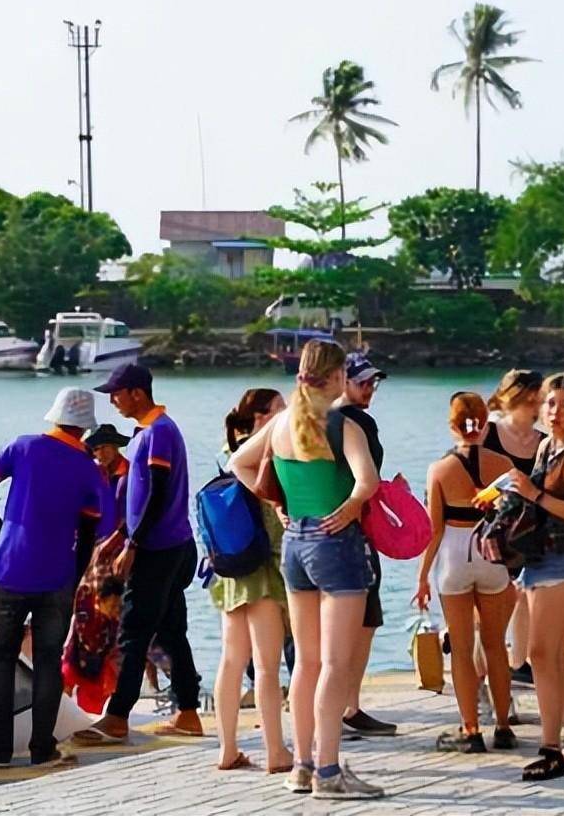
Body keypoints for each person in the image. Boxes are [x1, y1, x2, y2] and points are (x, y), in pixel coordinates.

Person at [228, 339, 384, 800]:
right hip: (336, 544)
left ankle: (302, 765)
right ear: (337, 378)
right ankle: (330, 772)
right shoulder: (342, 426)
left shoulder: (279, 424)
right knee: (335, 664)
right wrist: (353, 505)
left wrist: (277, 503)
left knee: (307, 663)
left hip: (295, 545)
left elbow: (239, 461)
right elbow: (368, 481)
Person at [0, 387, 104, 767]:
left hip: (11, 567)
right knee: (47, 661)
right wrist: (75, 576)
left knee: (0, 658)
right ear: (85, 428)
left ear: (55, 416)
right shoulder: (88, 469)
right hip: (56, 574)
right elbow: (90, 533)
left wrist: (3, 532)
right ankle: (41, 749)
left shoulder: (22, 447)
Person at [74, 364, 203, 744]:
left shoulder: (159, 432)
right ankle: (188, 712)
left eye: (116, 393)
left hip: (158, 549)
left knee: (133, 631)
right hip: (170, 545)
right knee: (171, 631)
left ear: (136, 392)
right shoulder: (148, 432)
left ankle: (116, 717)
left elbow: (158, 491)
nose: (112, 401)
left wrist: (133, 544)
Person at [414, 391, 517, 753]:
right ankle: (504, 726)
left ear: (452, 426)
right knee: (495, 646)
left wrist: (423, 576)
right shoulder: (503, 465)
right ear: (485, 423)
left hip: (455, 555)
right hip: (491, 552)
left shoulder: (438, 470)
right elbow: (514, 512)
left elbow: (434, 529)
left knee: (460, 649)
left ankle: (470, 729)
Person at [509, 373, 564, 780]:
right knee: (556, 656)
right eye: (550, 404)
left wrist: (535, 495)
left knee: (541, 653)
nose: (556, 412)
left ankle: (551, 747)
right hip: (538, 559)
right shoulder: (547, 447)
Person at [210, 388, 292, 773]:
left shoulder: (229, 454)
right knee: (267, 666)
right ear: (259, 418)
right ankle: (276, 751)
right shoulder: (265, 458)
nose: (287, 414)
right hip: (262, 573)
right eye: (279, 410)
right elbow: (276, 525)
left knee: (230, 661)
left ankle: (228, 748)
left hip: (229, 573)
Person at [335, 353, 396, 738]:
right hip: (356, 531)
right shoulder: (358, 423)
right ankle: (347, 706)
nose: (370, 388)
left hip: (323, 527)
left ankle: (341, 706)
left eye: (373, 382)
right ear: (342, 380)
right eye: (363, 382)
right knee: (364, 620)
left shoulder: (318, 421)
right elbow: (368, 478)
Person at [485, 369, 545, 688]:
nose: (538, 407)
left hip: (527, 530)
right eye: (534, 399)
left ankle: (519, 663)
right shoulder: (488, 432)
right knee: (493, 600)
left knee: (523, 595)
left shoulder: (545, 442)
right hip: (489, 529)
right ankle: (468, 650)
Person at [85, 423, 131, 541]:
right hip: (101, 540)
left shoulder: (131, 475)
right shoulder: (96, 474)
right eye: (96, 449)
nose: (100, 453)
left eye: (104, 446)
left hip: (124, 542)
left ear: (115, 446)